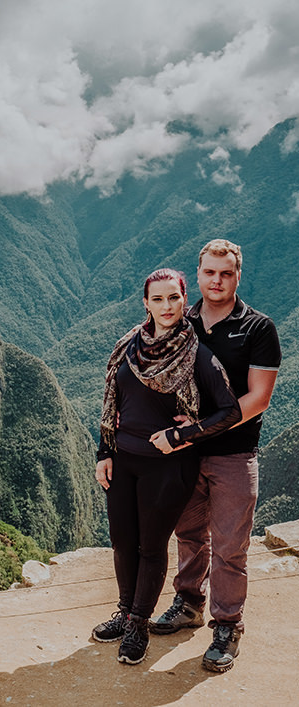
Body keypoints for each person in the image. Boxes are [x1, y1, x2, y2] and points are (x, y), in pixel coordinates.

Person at [93, 268, 240, 665]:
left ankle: (139, 624)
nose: (166, 306)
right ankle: (125, 613)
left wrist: (185, 434)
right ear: (145, 303)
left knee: (151, 547)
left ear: (183, 299)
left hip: (167, 467)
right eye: (157, 299)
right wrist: (103, 453)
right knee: (123, 543)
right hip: (123, 462)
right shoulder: (128, 346)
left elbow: (230, 411)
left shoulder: (197, 355)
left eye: (173, 298)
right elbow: (112, 404)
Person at [151, 240, 281, 673]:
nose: (217, 281)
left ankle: (227, 625)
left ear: (238, 276)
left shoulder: (258, 328)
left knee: (230, 546)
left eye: (226, 273)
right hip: (183, 458)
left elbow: (258, 398)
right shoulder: (179, 320)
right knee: (189, 535)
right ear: (199, 273)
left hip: (233, 454)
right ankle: (188, 602)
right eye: (209, 272)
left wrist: (191, 432)